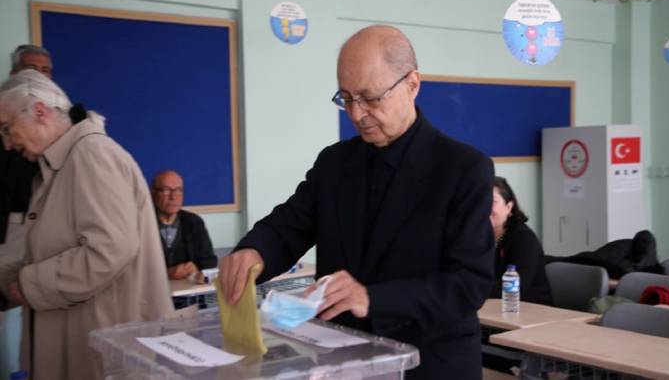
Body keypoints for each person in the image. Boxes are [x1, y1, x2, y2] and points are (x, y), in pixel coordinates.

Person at [219, 25, 495, 379]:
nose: (356, 114)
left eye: (369, 97)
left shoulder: (463, 168)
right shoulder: (335, 163)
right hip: (343, 360)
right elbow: (289, 225)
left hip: (428, 363)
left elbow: (468, 284)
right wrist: (254, 252)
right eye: (346, 98)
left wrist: (372, 299)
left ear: (412, 84)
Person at [0, 69, 173, 380]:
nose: (7, 143)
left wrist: (30, 284)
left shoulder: (92, 154)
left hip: (101, 341)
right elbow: (52, 249)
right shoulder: (58, 165)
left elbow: (109, 249)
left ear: (40, 112)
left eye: (6, 128)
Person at [0, 44, 51, 380]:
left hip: (40, 236)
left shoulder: (60, 128)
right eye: (31, 68)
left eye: (45, 71)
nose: (37, 76)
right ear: (14, 74)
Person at [489, 177, 552, 305]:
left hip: (530, 311)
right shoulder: (478, 235)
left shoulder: (524, 239)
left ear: (509, 207)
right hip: (492, 308)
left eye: (492, 202)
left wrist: (471, 290)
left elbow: (514, 289)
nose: (484, 207)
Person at [151, 170, 217, 280]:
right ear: (153, 193)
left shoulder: (194, 222)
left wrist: (196, 268)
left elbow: (209, 261)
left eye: (178, 190)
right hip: (152, 294)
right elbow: (130, 270)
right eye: (166, 190)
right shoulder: (141, 224)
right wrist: (166, 275)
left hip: (188, 293)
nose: (173, 197)